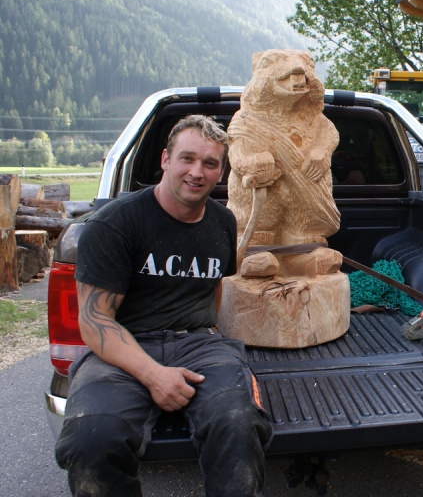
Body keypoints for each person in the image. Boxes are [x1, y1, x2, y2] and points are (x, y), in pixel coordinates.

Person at [55, 115, 273, 496]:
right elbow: (94, 320)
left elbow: (215, 288)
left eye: (210, 163)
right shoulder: (114, 224)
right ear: (165, 159)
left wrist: (212, 335)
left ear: (221, 172)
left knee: (238, 423)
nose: (197, 172)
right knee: (91, 438)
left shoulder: (223, 222)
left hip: (199, 343)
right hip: (124, 347)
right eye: (187, 158)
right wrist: (155, 376)